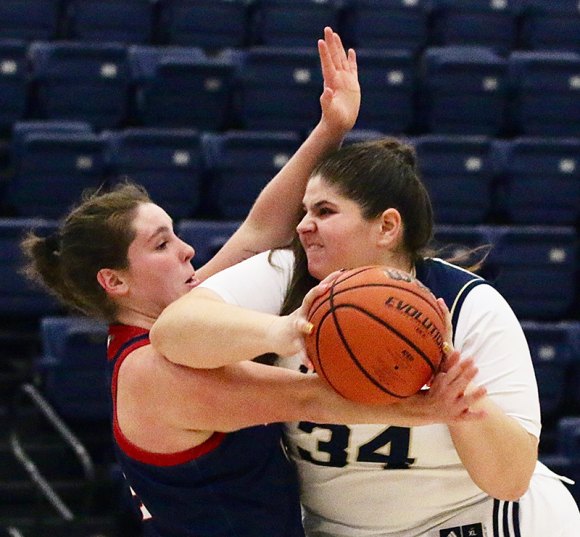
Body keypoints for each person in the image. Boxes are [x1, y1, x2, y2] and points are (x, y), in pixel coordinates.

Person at [20, 31, 486, 537]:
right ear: (114, 281)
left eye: (176, 235)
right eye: (161, 245)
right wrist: (427, 407)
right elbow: (311, 398)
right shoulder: (150, 372)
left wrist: (331, 128)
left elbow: (259, 233)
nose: (188, 250)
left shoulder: (182, 320)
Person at [151, 137, 580, 537]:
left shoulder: (470, 306)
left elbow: (510, 480)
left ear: (387, 227)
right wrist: (280, 331)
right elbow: (172, 332)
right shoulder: (286, 276)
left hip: (474, 520)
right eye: (304, 212)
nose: (302, 226)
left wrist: (463, 405)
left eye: (324, 211)